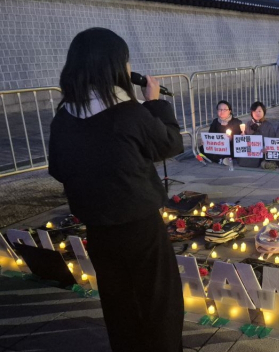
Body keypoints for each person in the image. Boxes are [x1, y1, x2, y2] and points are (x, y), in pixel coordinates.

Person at [48, 28, 184, 352]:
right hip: (140, 226)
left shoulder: (64, 117)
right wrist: (155, 103)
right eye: (125, 61)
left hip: (97, 228)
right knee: (159, 301)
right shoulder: (129, 113)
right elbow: (169, 143)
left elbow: (58, 169)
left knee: (117, 301)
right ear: (114, 67)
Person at [237, 101, 277, 169]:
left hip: (263, 152)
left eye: (259, 111)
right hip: (251, 152)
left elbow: (273, 140)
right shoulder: (247, 124)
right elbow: (243, 142)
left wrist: (267, 148)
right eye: (255, 111)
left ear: (264, 112)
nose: (257, 113)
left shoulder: (269, 126)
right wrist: (242, 136)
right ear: (251, 113)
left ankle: (265, 162)